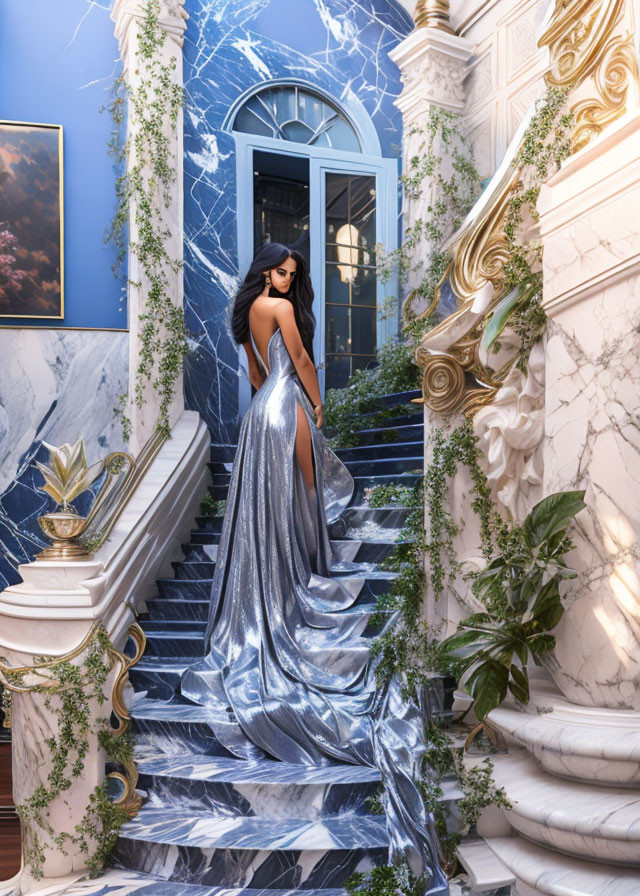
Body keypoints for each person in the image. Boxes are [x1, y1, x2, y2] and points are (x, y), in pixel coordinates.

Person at [180, 242, 443, 887]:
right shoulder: (281, 311)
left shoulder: (246, 316)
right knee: (305, 494)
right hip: (288, 405)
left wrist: (279, 396)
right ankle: (301, 578)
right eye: (282, 272)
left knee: (281, 504)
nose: (287, 281)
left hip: (255, 416)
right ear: (266, 272)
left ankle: (288, 576)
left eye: (293, 276)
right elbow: (298, 360)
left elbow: (254, 373)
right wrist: (317, 403)